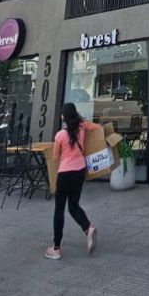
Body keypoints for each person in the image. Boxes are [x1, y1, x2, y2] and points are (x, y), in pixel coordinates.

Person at [45, 103, 98, 261]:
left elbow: (55, 157)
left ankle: (56, 248)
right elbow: (97, 128)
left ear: (63, 117)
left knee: (59, 210)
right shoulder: (82, 127)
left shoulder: (60, 135)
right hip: (80, 171)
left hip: (65, 173)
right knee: (73, 205)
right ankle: (88, 227)